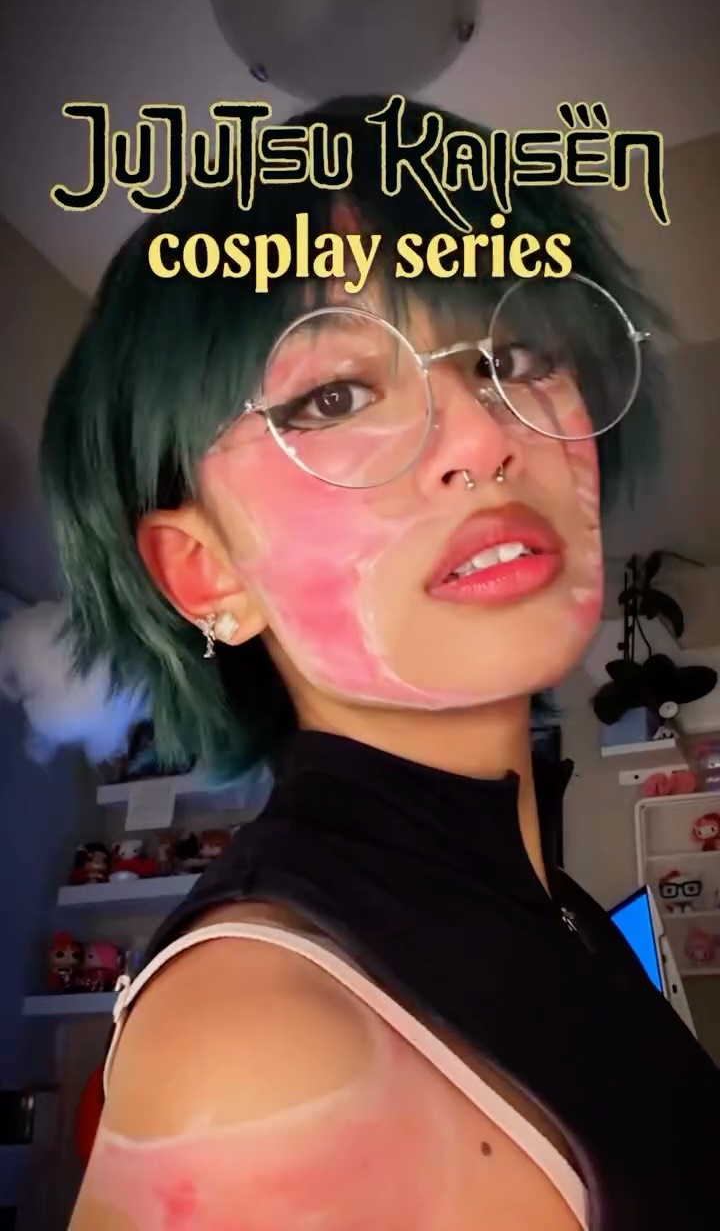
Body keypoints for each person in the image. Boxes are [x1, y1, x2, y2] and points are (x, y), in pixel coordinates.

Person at [41, 96, 719, 1231]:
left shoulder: (555, 907)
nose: (486, 435)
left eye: (511, 355)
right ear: (208, 574)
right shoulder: (256, 1042)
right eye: (335, 395)